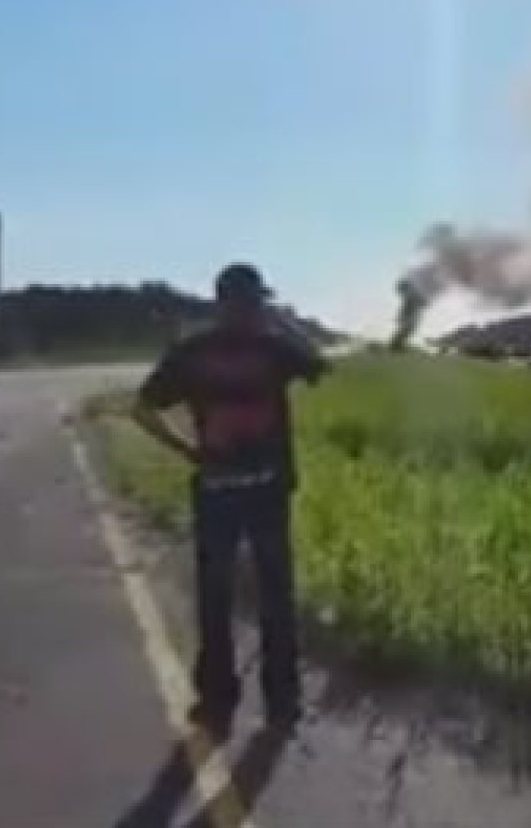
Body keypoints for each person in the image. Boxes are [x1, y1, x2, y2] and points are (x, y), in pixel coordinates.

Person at [133, 263, 327, 738]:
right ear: (245, 303)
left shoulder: (193, 352)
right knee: (272, 600)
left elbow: (142, 410)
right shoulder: (273, 348)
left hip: (219, 493)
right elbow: (320, 363)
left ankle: (218, 702)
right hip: (264, 492)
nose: (256, 311)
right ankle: (281, 703)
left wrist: (189, 451)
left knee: (217, 600)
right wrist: (282, 320)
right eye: (256, 302)